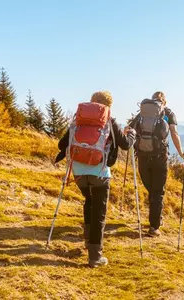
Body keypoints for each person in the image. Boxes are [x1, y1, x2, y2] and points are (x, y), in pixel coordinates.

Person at [56, 91, 136, 268]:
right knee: (99, 211)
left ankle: (87, 240)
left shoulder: (79, 120)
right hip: (100, 173)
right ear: (108, 105)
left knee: (89, 201)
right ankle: (95, 256)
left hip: (78, 173)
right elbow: (125, 145)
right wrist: (131, 135)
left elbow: (61, 145)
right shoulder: (109, 120)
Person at [127, 91, 184, 237]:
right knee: (158, 191)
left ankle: (155, 220)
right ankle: (154, 226)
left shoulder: (142, 114)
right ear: (164, 102)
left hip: (142, 156)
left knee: (152, 190)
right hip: (160, 157)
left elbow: (129, 130)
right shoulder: (168, 113)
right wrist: (181, 153)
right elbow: (174, 133)